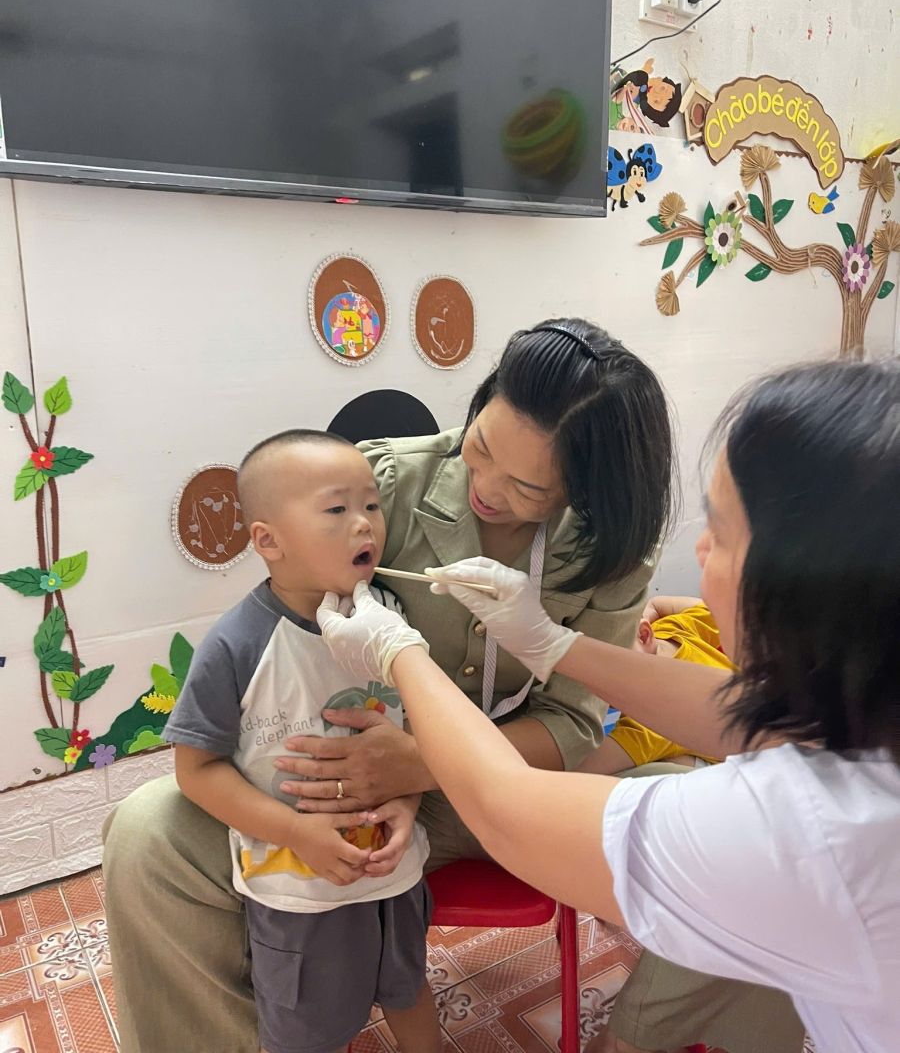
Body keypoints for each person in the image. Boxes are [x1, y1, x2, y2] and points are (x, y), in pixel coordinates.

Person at [106, 318, 722, 1053]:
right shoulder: (382, 485)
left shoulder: (612, 547)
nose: (486, 488)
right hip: (351, 779)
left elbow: (574, 722)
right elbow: (289, 608)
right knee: (147, 835)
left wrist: (423, 763)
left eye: (527, 487)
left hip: (511, 790)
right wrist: (357, 779)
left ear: (586, 490)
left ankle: (637, 1039)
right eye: (481, 447)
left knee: (723, 835)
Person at [316, 358, 900, 1053]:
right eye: (480, 447)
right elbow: (757, 716)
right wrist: (552, 643)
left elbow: (511, 808)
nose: (699, 550)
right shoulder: (384, 480)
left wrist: (398, 653)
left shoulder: (812, 834)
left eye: (720, 533)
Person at [166, 430, 439, 1053]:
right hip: (298, 892)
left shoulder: (391, 618)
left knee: (409, 989)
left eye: (372, 505)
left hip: (395, 871)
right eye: (337, 508)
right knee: (307, 1030)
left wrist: (408, 802)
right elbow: (196, 769)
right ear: (268, 541)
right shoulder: (236, 646)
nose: (365, 523)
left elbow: (418, 729)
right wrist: (296, 832)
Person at [581, 597, 734, 775]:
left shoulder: (650, 726)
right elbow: (717, 608)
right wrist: (652, 607)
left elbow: (582, 769)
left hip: (742, 765)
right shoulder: (671, 629)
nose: (596, 685)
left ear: (644, 635)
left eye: (611, 666)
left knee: (657, 765)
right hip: (756, 710)